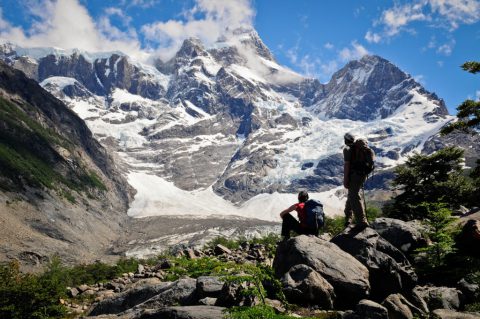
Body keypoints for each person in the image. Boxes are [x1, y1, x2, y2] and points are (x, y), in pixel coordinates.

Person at [343, 132, 369, 228]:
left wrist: (345, 180)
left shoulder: (347, 149)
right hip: (362, 175)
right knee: (351, 194)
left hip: (354, 175)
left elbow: (347, 165)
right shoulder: (358, 148)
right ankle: (348, 219)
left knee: (354, 196)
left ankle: (362, 221)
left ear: (346, 140)